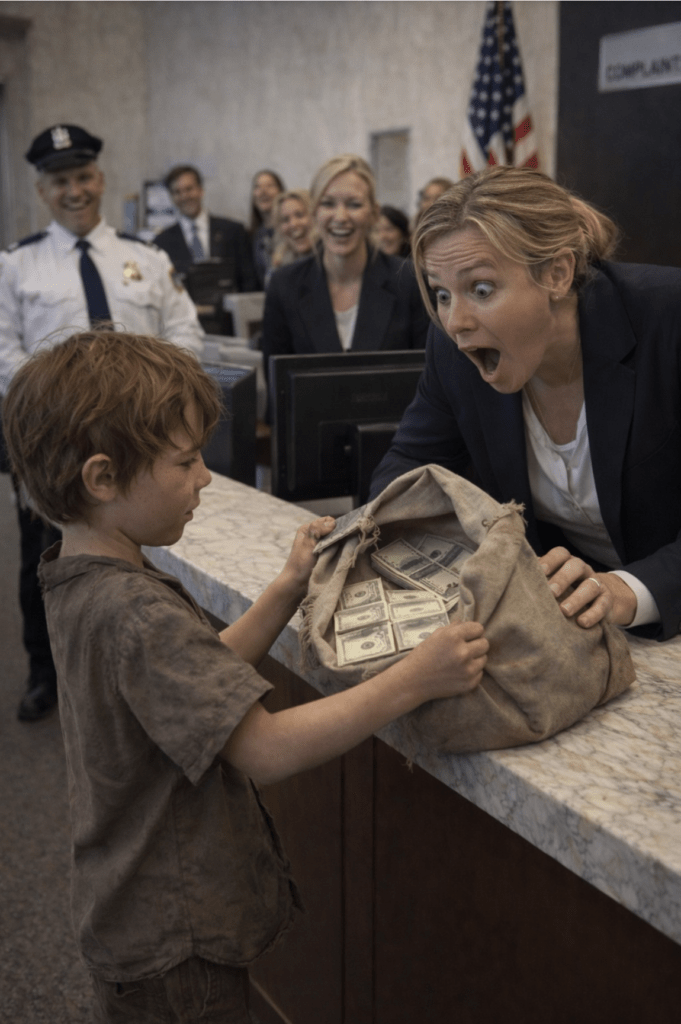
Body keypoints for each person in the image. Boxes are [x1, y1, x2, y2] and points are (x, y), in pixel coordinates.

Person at [2, 328, 488, 1023]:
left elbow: (199, 686)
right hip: (177, 942)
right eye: (185, 461)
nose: (205, 477)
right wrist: (413, 678)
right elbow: (263, 747)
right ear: (102, 478)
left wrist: (286, 588)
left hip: (130, 914)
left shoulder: (82, 573)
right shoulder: (135, 611)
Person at [370, 165, 681, 643]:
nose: (456, 321)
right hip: (580, 633)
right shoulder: (453, 351)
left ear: (557, 273)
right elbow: (406, 473)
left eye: (481, 289)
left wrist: (627, 590)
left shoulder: (668, 317)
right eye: (442, 294)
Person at [0, 123, 203, 722]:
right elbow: (5, 354)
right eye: (61, 181)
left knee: (149, 553)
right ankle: (46, 674)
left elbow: (185, 335)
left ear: (101, 179)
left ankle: (146, 667)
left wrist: (154, 406)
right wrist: (64, 407)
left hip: (142, 448)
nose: (75, 191)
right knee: (44, 562)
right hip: (55, 447)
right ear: (43, 190)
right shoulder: (16, 264)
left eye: (84, 177)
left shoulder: (147, 258)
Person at [261, 155, 429, 392]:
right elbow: (278, 390)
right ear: (314, 212)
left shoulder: (410, 281)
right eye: (328, 204)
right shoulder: (284, 285)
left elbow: (429, 384)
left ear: (374, 213)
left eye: (354, 204)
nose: (340, 217)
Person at [154, 163, 258, 291]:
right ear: (171, 197)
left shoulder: (233, 231)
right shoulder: (162, 242)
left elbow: (249, 281)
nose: (184, 196)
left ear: (200, 190)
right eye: (177, 192)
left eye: (189, 189)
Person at [249, 168, 285, 288]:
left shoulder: (291, 230)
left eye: (270, 186)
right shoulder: (253, 236)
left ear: (281, 192)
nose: (263, 192)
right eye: (257, 187)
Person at [269, 188, 314, 282]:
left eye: (300, 215)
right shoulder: (279, 266)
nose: (293, 224)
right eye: (285, 219)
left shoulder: (333, 260)